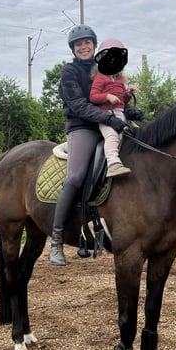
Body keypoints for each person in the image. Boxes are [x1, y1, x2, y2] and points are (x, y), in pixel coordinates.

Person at [49, 24, 129, 266]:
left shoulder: (103, 70)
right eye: (78, 44)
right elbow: (78, 105)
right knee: (74, 176)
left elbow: (115, 99)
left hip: (108, 123)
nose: (83, 47)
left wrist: (131, 111)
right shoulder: (69, 72)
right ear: (73, 49)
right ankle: (56, 239)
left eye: (87, 43)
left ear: (94, 45)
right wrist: (107, 118)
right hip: (82, 127)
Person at [89, 38, 140, 178]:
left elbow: (122, 100)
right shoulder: (100, 78)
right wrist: (107, 96)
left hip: (120, 114)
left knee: (138, 133)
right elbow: (93, 96)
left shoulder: (120, 80)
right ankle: (113, 164)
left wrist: (128, 93)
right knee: (112, 136)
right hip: (106, 115)